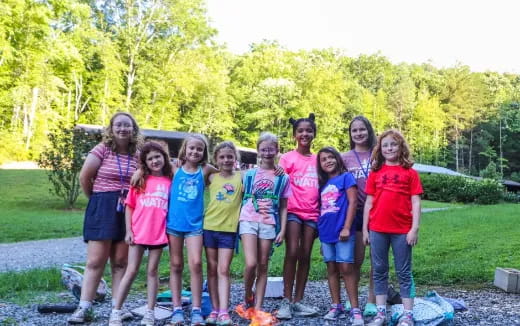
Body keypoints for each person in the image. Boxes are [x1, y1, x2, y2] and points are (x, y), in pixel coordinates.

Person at [68, 112, 142, 324]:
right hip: (102, 206)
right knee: (95, 261)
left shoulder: (137, 154)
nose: (122, 129)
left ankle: (117, 308)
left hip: (128, 209)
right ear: (111, 128)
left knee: (120, 262)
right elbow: (85, 177)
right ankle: (83, 308)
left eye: (127, 126)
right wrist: (96, 199)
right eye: (118, 125)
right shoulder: (102, 150)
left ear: (133, 129)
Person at [109, 141, 173, 326]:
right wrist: (128, 231)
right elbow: (129, 206)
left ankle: (150, 312)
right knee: (131, 270)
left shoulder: (170, 180)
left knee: (152, 272)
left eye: (157, 157)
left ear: (164, 157)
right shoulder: (140, 180)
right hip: (138, 233)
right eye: (150, 158)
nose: (155, 161)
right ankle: (116, 311)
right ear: (145, 162)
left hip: (158, 233)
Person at [363, 129, 423, 326]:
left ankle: (408, 315)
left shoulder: (410, 173)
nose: (389, 148)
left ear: (401, 147)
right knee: (379, 270)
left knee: (404, 271)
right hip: (377, 229)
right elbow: (369, 203)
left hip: (402, 230)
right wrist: (365, 229)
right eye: (385, 145)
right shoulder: (375, 173)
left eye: (393, 144)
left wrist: (414, 229)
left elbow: (416, 202)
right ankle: (381, 314)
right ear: (380, 149)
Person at [167, 134, 218, 326]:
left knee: (196, 263)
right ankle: (177, 308)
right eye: (192, 148)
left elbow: (227, 177)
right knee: (176, 265)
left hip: (195, 226)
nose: (195, 152)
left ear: (204, 152)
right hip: (174, 225)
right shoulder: (174, 168)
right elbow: (149, 165)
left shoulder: (205, 170)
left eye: (199, 149)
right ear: (185, 149)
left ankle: (196, 309)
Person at [239, 132, 289, 314]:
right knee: (251, 263)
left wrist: (282, 229)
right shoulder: (248, 174)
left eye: (271, 149)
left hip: (268, 222)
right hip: (248, 220)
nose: (267, 152)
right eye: (263, 149)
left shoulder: (283, 177)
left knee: (263, 264)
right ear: (258, 151)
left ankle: (258, 307)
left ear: (277, 150)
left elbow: (284, 206)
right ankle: (247, 295)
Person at [277, 113, 319, 320]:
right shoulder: (287, 158)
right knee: (292, 251)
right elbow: (279, 185)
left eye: (308, 130)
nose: (305, 133)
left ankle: (298, 300)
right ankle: (286, 299)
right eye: (300, 131)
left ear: (314, 134)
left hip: (312, 213)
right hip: (293, 211)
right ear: (294, 135)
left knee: (305, 254)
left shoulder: (318, 159)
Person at [317, 146, 365, 325]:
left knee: (346, 268)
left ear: (338, 159)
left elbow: (353, 203)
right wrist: (321, 237)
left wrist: (346, 227)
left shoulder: (346, 178)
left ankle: (355, 308)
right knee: (331, 268)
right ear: (320, 165)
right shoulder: (322, 185)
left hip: (343, 231)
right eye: (324, 159)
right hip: (326, 232)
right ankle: (336, 305)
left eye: (331, 157)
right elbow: (321, 209)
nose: (328, 161)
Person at [203, 141, 243, 326]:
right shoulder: (211, 176)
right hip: (209, 227)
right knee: (211, 269)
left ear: (235, 158)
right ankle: (214, 309)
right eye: (222, 157)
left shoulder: (242, 177)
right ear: (216, 159)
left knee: (223, 269)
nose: (226, 160)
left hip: (228, 230)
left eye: (230, 156)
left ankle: (224, 312)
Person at [341, 116, 378, 317]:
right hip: (355, 212)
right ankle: (351, 295)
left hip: (377, 211)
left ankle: (372, 300)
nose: (358, 133)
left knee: (376, 260)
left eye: (362, 129)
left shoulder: (378, 154)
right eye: (354, 130)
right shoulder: (344, 157)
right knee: (356, 258)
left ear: (369, 130)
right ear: (350, 134)